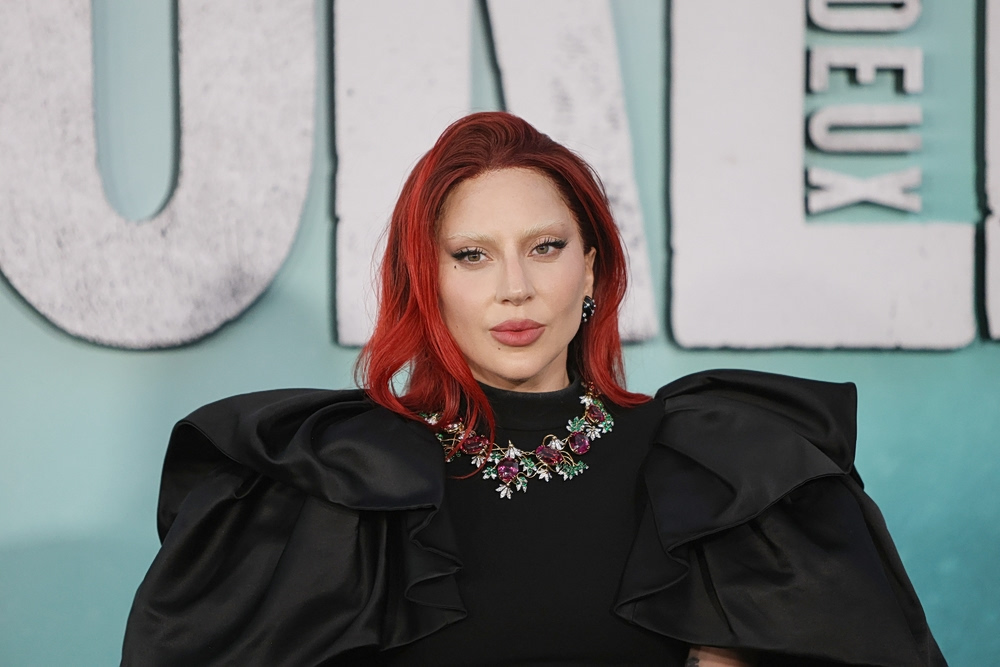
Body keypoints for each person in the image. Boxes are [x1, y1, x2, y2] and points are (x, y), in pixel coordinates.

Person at [121, 112, 946, 666]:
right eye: (472, 255)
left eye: (545, 246)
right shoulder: (335, 484)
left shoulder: (724, 471)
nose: (514, 287)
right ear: (427, 281)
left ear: (591, 267)